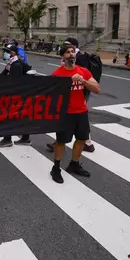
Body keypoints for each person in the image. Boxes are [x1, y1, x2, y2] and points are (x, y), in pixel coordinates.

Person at [50, 45, 100, 184]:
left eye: (73, 52)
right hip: (66, 114)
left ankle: (74, 164)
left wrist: (83, 81)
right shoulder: (57, 74)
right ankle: (56, 168)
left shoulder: (83, 71)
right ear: (62, 57)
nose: (71, 54)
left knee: (82, 139)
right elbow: (51, 96)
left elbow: (97, 89)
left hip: (81, 112)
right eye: (67, 52)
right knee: (61, 142)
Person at [47, 37, 95, 153]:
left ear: (74, 47)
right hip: (69, 95)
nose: (69, 52)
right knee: (71, 123)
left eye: (70, 48)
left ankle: (87, 143)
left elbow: (87, 76)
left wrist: (83, 84)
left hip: (81, 91)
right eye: (66, 50)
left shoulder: (81, 59)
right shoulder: (65, 62)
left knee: (79, 120)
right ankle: (61, 142)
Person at [0, 44, 31, 148]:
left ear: (13, 53)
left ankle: (7, 139)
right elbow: (2, 75)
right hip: (15, 95)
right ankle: (25, 138)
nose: (4, 53)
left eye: (6, 51)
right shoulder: (11, 64)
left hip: (16, 96)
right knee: (20, 117)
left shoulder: (16, 66)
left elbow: (14, 83)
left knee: (9, 117)